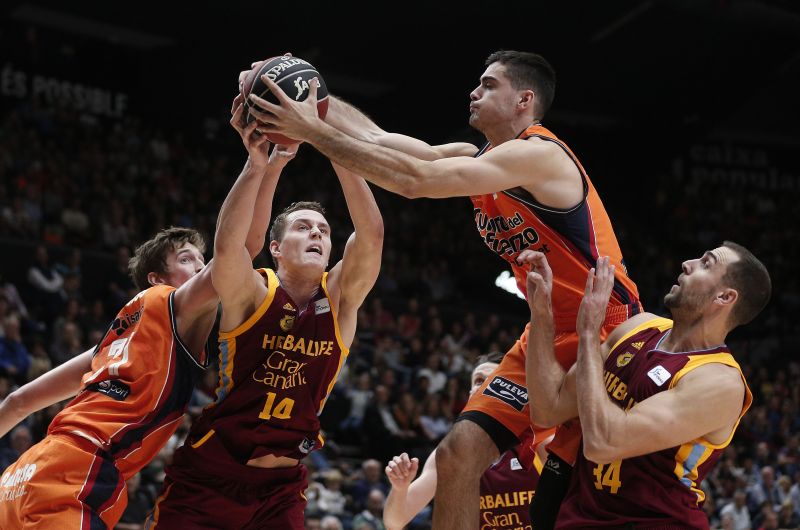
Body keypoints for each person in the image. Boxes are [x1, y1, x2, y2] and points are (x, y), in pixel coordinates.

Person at [248, 49, 641, 529]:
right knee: (457, 456)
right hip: (543, 328)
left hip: (604, 329)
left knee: (575, 494)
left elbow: (416, 181)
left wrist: (310, 130)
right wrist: (314, 100)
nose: (473, 92)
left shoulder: (542, 156)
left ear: (524, 99)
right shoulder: (483, 159)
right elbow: (376, 139)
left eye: (488, 85)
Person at [0, 145, 294, 529]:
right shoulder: (170, 303)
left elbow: (18, 401)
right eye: (187, 259)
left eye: (200, 259)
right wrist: (263, 165)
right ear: (157, 279)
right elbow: (239, 251)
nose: (201, 265)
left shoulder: (107, 349)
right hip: (80, 474)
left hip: (20, 478)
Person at [145, 102, 384, 528]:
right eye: (302, 227)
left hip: (281, 488)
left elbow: (371, 233)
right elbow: (228, 247)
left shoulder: (342, 299)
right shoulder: (254, 292)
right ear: (275, 249)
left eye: (324, 231)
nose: (316, 233)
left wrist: (332, 143)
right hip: (210, 476)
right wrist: (260, 166)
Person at [521, 241, 770, 528]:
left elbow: (603, 442)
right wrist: (541, 314)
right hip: (583, 514)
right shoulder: (639, 327)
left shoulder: (719, 381)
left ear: (725, 297)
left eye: (706, 263)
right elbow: (547, 409)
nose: (687, 263)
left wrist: (589, 332)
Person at [384, 352, 543, 530]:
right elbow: (395, 522)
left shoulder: (540, 442)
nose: (482, 386)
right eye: (478, 381)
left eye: (493, 380)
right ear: (469, 394)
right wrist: (399, 489)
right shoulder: (450, 454)